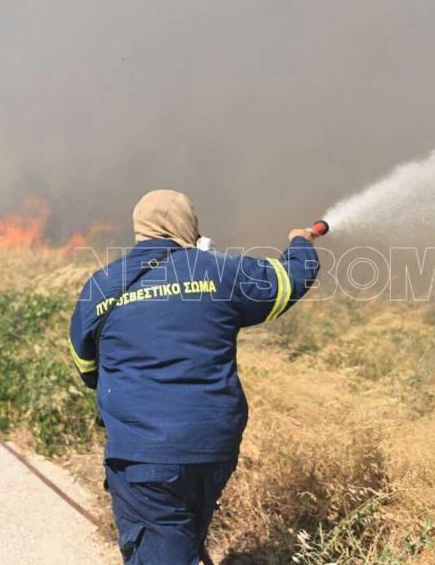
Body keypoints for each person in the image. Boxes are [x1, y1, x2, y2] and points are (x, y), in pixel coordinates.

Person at [68, 189, 320, 564]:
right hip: (212, 448)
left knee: (162, 546)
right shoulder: (220, 271)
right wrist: (301, 242)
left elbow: (85, 364)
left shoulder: (102, 285)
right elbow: (288, 281)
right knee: (181, 538)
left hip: (142, 453)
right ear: (189, 225)